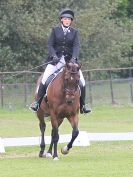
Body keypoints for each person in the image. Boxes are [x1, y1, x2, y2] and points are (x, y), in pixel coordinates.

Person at [30, 8, 91, 114]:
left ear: (71, 21)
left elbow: (76, 46)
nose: (67, 20)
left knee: (82, 82)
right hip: (55, 61)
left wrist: (74, 58)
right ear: (61, 20)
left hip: (70, 62)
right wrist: (53, 55)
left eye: (69, 19)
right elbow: (50, 44)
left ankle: (83, 106)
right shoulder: (55, 30)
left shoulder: (75, 32)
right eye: (65, 19)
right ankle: (37, 103)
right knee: (44, 79)